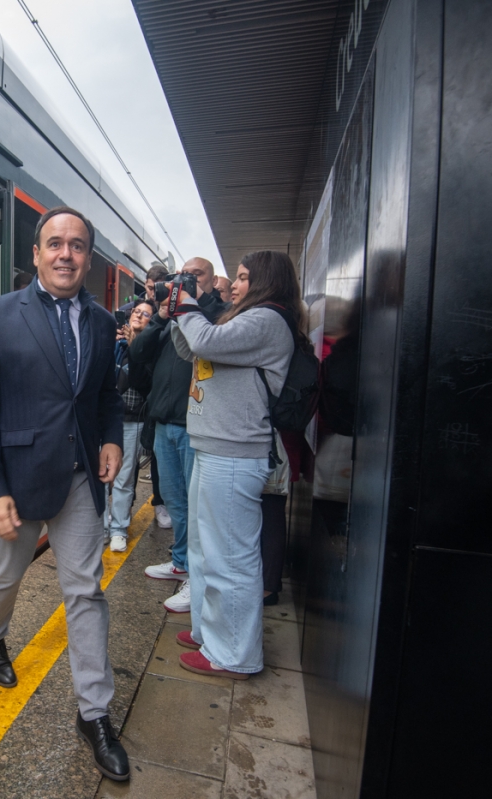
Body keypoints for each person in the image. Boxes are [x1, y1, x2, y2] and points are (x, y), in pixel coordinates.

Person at [0, 206, 129, 782]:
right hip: (18, 478)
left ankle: (94, 712)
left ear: (88, 257)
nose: (65, 254)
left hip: (81, 474)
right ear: (35, 254)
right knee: (4, 575)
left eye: (77, 246)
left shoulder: (105, 324)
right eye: (54, 243)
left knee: (84, 589)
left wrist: (112, 439)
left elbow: (105, 394)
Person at [167, 250, 302, 679]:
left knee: (231, 558)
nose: (236, 285)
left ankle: (235, 655)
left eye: (244, 278)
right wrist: (177, 312)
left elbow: (205, 341)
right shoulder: (248, 318)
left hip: (235, 451)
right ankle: (212, 633)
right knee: (207, 552)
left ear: (265, 281)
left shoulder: (266, 320)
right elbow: (193, 350)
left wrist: (187, 303)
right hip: (216, 446)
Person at [129, 257, 226, 613]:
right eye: (181, 276)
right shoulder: (169, 314)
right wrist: (159, 316)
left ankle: (195, 577)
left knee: (197, 506)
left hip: (195, 426)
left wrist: (192, 303)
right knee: (175, 501)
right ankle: (182, 561)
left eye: (194, 276)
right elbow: (137, 353)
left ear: (212, 281)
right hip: (164, 424)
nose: (185, 282)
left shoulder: (218, 313)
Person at [103, 299, 156, 552]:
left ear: (151, 322)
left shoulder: (151, 349)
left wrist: (135, 347)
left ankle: (118, 530)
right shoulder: (115, 344)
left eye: (146, 314)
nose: (138, 316)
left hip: (133, 419)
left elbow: (142, 382)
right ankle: (102, 526)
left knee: (123, 479)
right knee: (100, 476)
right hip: (104, 419)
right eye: (136, 311)